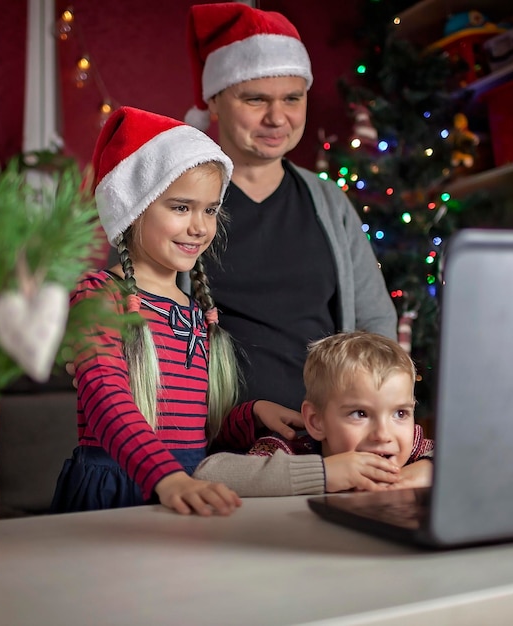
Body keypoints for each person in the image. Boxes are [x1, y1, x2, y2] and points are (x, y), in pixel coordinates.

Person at [51, 106, 302, 517]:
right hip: (116, 493)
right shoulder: (99, 296)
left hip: (188, 488)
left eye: (210, 210)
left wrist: (252, 415)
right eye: (181, 207)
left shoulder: (197, 311)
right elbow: (105, 398)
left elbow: (197, 431)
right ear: (134, 208)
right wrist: (166, 477)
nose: (200, 227)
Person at [181, 3, 399, 412]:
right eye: (256, 99)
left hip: (329, 437)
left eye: (292, 98)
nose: (277, 117)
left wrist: (369, 414)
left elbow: (374, 323)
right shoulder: (174, 200)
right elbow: (127, 314)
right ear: (214, 101)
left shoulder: (329, 202)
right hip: (215, 446)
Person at [193, 331, 434, 496]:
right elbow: (208, 474)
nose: (383, 435)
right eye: (360, 414)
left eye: (400, 414)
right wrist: (324, 473)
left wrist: (428, 468)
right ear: (316, 422)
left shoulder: (414, 451)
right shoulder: (292, 450)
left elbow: (467, 457)